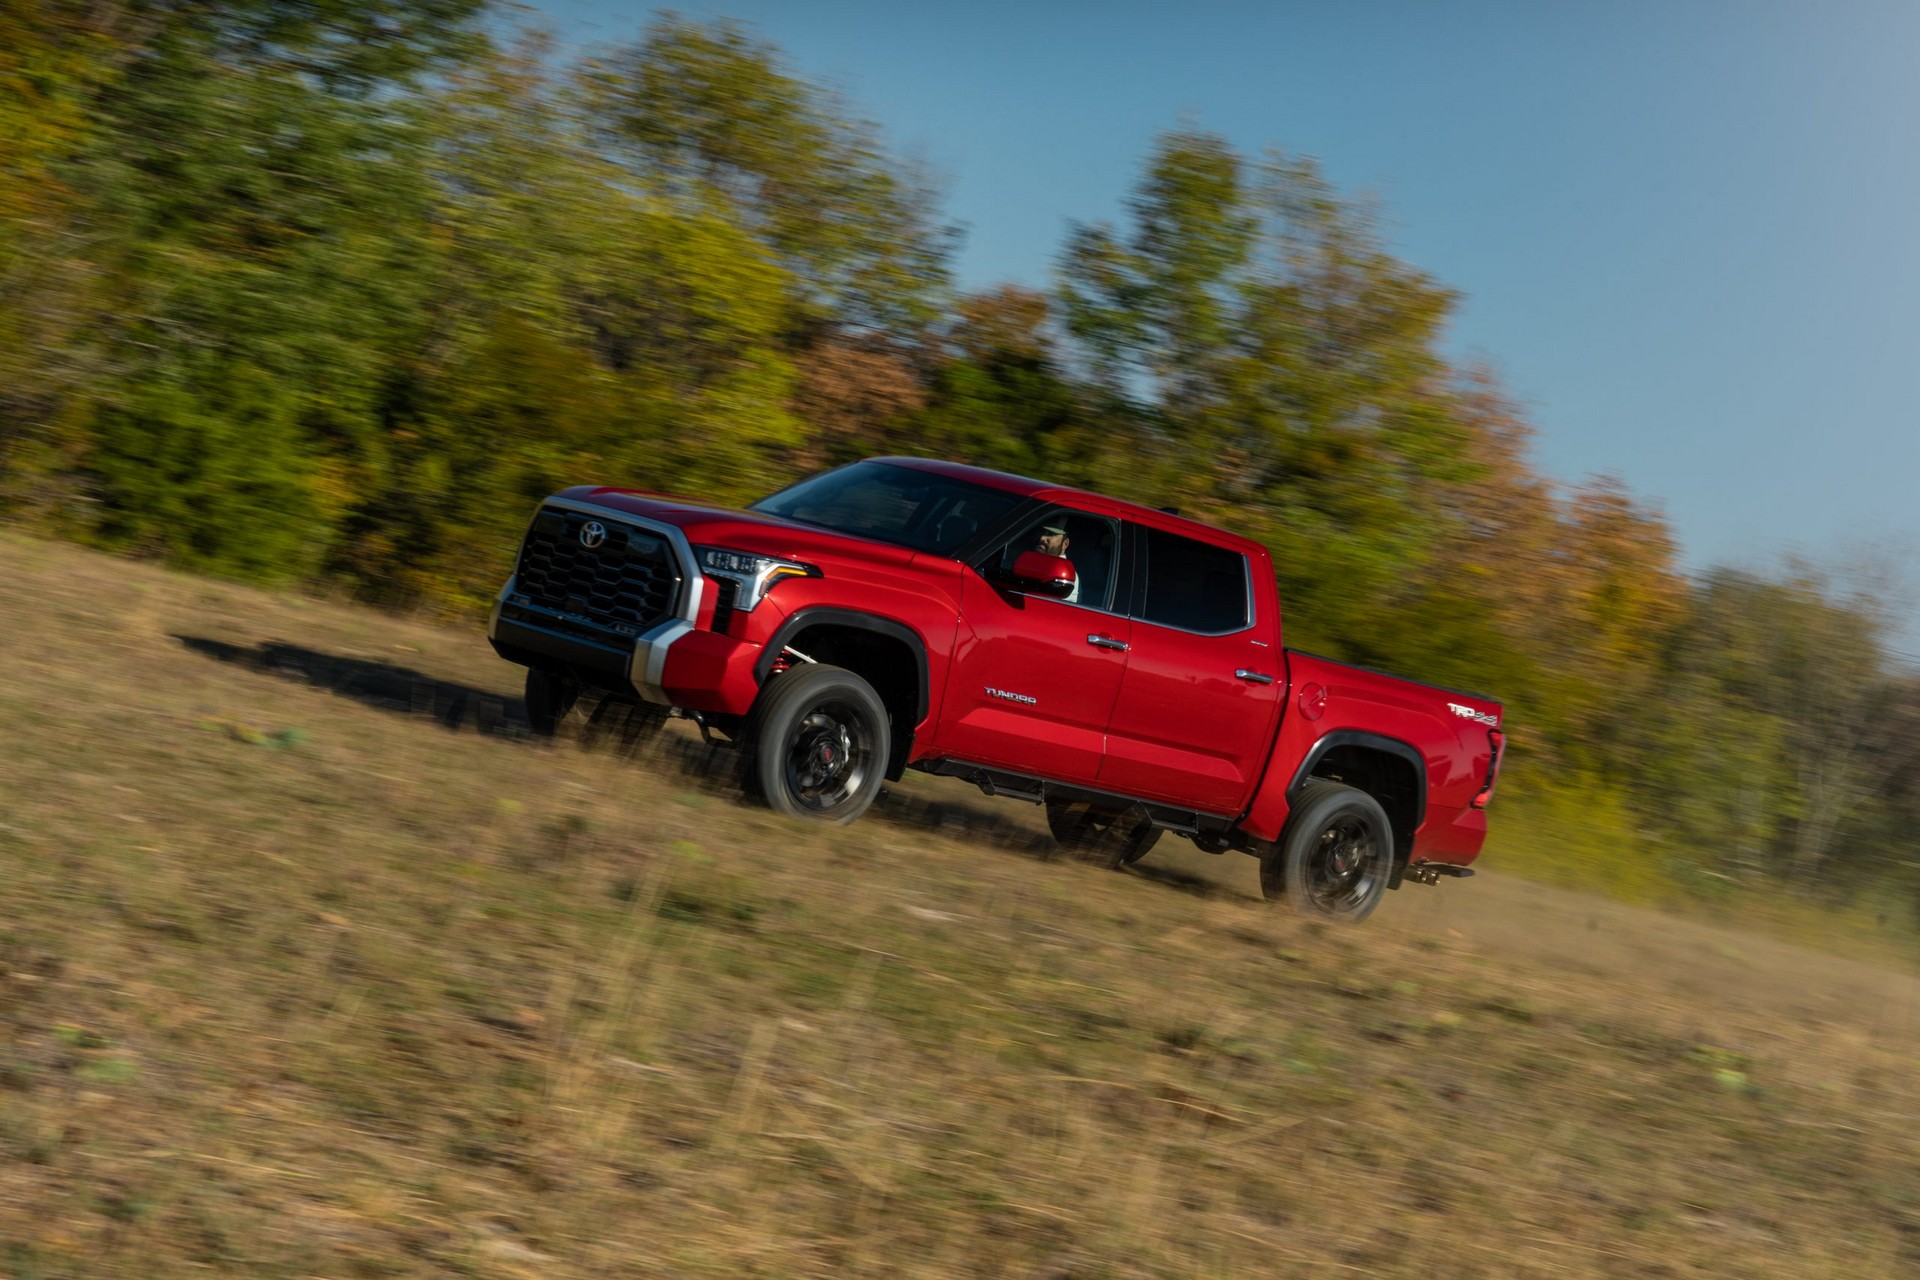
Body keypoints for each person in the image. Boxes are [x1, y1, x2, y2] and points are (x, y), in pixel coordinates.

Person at [1035, 521, 1080, 603]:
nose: (1042, 538)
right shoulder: (1034, 561)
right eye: (1042, 532)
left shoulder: (1066, 573)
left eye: (1051, 534)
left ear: (1065, 544)